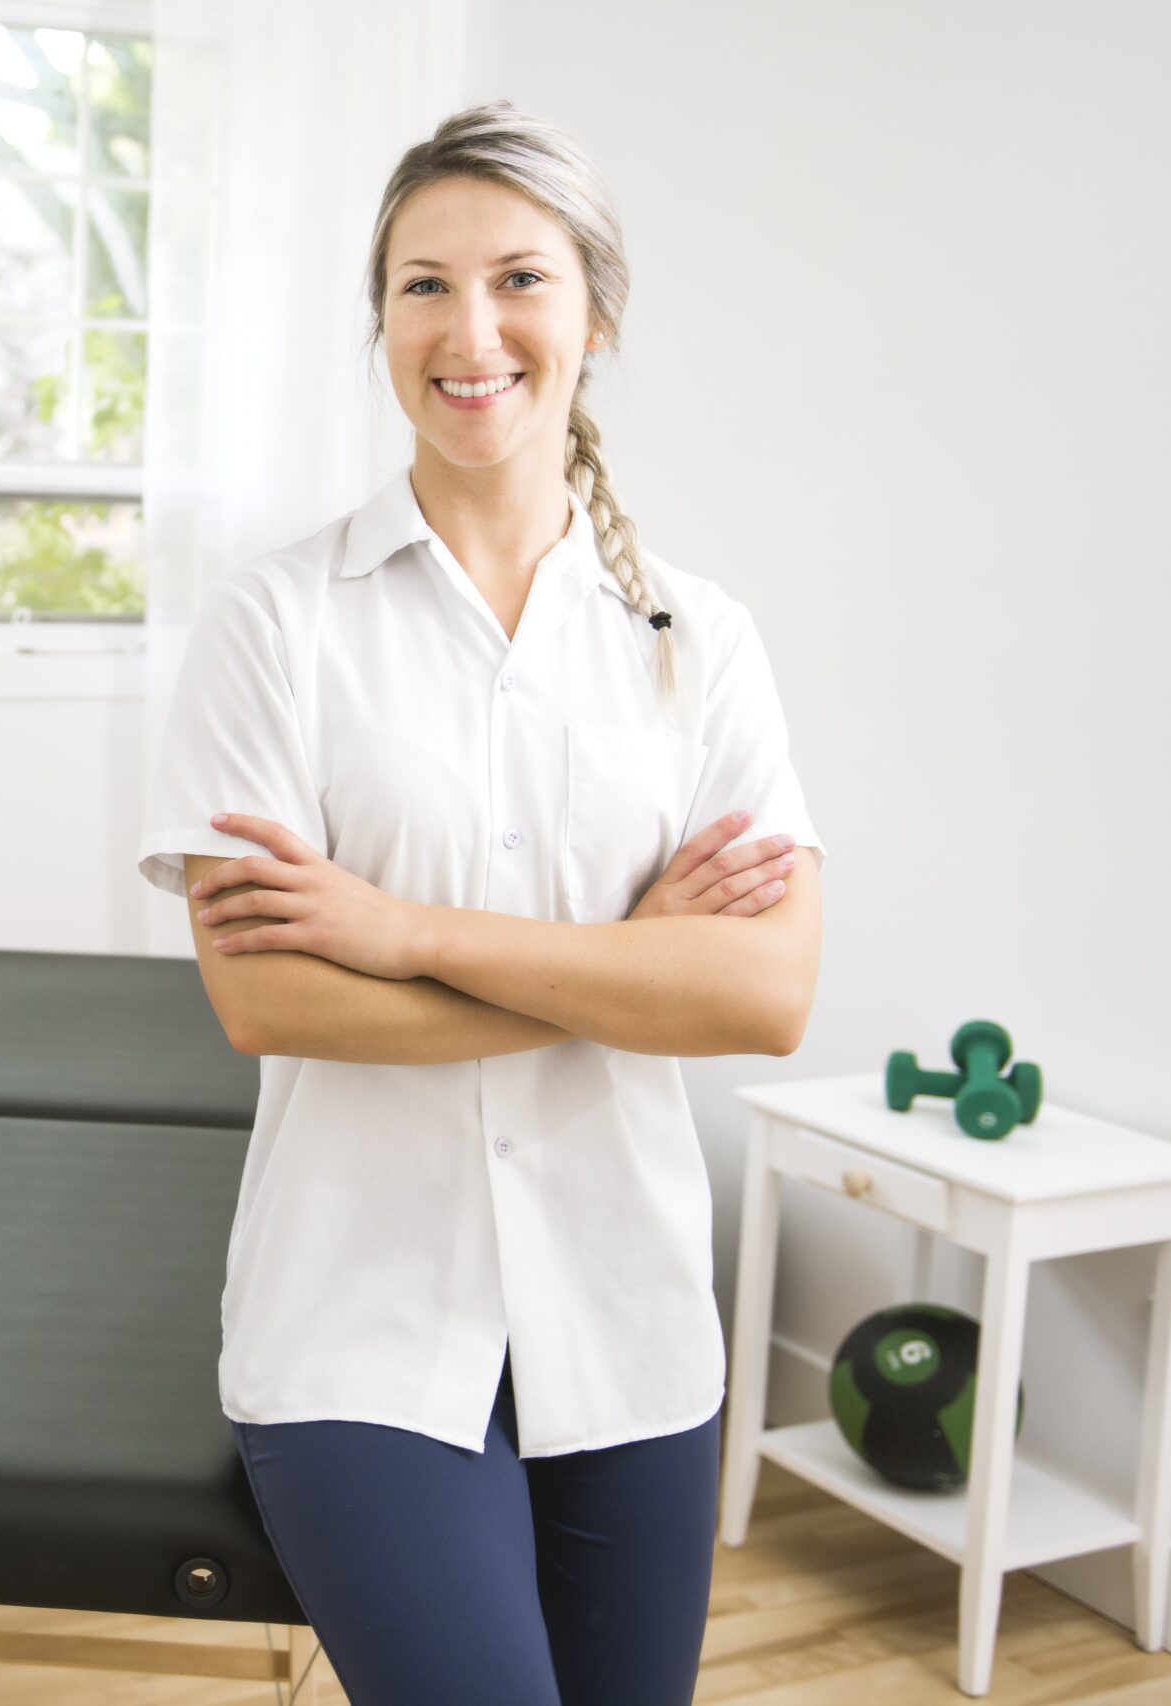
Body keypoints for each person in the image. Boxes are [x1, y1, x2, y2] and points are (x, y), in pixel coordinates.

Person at [132, 101, 829, 1705]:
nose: (470, 331)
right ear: (379, 319)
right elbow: (269, 1001)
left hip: (633, 1316)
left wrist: (403, 930)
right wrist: (633, 962)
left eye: (518, 278)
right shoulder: (277, 622)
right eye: (421, 286)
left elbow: (765, 997)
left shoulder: (694, 638)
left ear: (593, 311)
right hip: (358, 1329)